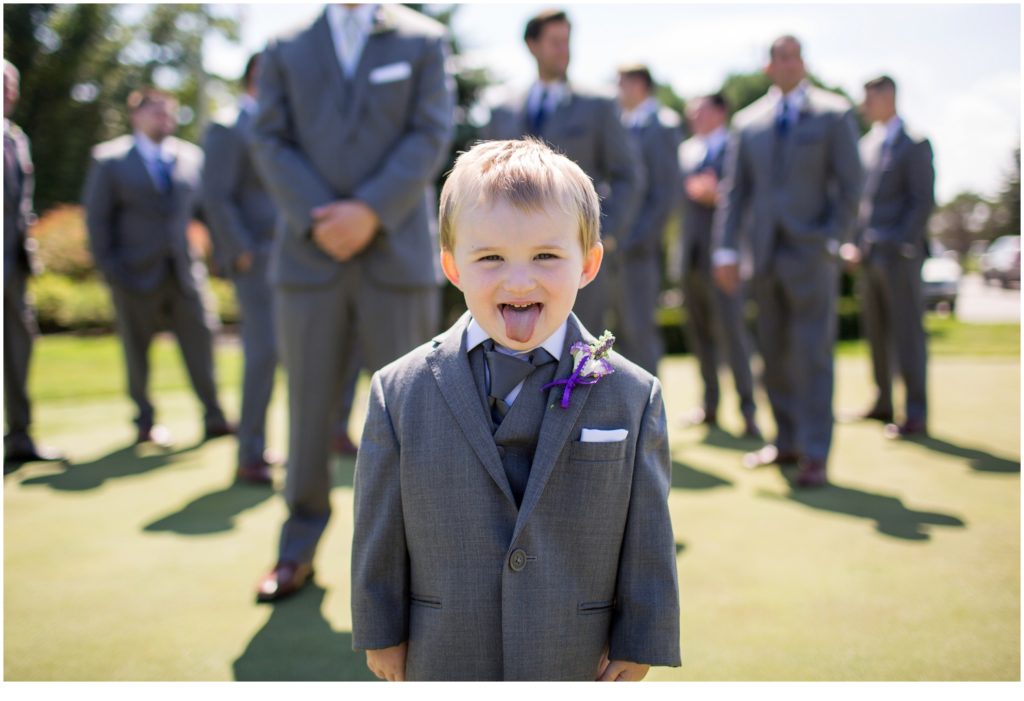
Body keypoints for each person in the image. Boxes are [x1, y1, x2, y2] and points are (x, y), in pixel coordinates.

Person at [351, 138, 680, 681]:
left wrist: (641, 638)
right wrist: (381, 631)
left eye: (546, 256)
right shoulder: (398, 390)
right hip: (446, 650)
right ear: (453, 267)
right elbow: (378, 529)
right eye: (491, 258)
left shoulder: (632, 393)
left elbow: (648, 534)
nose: (519, 280)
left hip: (574, 654)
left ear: (589, 263)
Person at [249, 3, 455, 602]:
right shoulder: (286, 44)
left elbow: (431, 130)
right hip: (309, 258)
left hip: (395, 255)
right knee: (309, 410)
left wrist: (369, 211)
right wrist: (325, 219)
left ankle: (426, 563)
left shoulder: (424, 39)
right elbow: (269, 136)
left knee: (416, 417)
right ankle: (297, 550)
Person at [201, 54, 362, 485]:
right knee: (263, 354)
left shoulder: (293, 129)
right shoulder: (227, 126)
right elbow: (216, 196)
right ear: (259, 77)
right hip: (257, 262)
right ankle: (249, 453)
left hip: (303, 259)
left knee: (322, 350)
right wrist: (241, 252)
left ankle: (326, 436)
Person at [712, 36, 862, 487]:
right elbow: (734, 192)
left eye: (795, 55)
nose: (787, 63)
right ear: (767, 66)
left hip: (812, 255)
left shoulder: (834, 113)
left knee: (812, 355)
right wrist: (726, 248)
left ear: (804, 62)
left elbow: (851, 185)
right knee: (772, 353)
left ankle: (816, 453)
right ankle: (787, 441)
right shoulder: (748, 121)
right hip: (763, 257)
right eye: (779, 56)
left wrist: (832, 239)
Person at [83, 87, 233, 449]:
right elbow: (97, 220)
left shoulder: (190, 157)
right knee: (137, 353)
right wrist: (112, 269)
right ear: (136, 116)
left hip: (184, 273)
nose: (164, 119)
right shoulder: (111, 160)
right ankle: (145, 421)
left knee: (202, 342)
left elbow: (206, 212)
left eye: (169, 113)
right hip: (133, 273)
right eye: (156, 112)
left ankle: (214, 416)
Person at [480, 8, 644, 335]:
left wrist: (603, 235)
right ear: (532, 45)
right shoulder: (502, 107)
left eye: (567, 41)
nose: (564, 50)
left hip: (575, 256)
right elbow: (481, 179)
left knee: (580, 357)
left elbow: (628, 175)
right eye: (555, 42)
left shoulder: (598, 103)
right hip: (510, 261)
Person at [841, 75, 934, 439]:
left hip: (900, 257)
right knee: (877, 334)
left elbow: (921, 201)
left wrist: (898, 244)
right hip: (868, 258)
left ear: (889, 95)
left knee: (908, 335)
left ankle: (915, 412)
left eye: (870, 97)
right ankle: (883, 402)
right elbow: (860, 207)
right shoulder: (866, 146)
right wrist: (854, 243)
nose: (865, 106)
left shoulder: (915, 143)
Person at [678, 94, 761, 439]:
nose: (694, 117)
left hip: (724, 259)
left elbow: (750, 197)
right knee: (700, 335)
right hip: (691, 258)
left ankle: (749, 412)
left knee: (732, 335)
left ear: (721, 112)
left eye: (702, 110)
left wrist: (719, 196)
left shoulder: (737, 146)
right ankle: (710, 406)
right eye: (691, 112)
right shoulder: (686, 151)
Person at [4, 59, 64, 463]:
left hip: (12, 267)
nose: (7, 90)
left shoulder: (16, 139)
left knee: (17, 349)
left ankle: (20, 437)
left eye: (11, 84)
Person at [615, 63, 682, 376]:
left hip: (640, 249)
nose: (617, 91)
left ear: (639, 85)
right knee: (620, 335)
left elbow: (666, 194)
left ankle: (649, 416)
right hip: (619, 248)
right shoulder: (623, 124)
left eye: (621, 83)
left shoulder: (663, 126)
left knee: (640, 333)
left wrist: (635, 238)